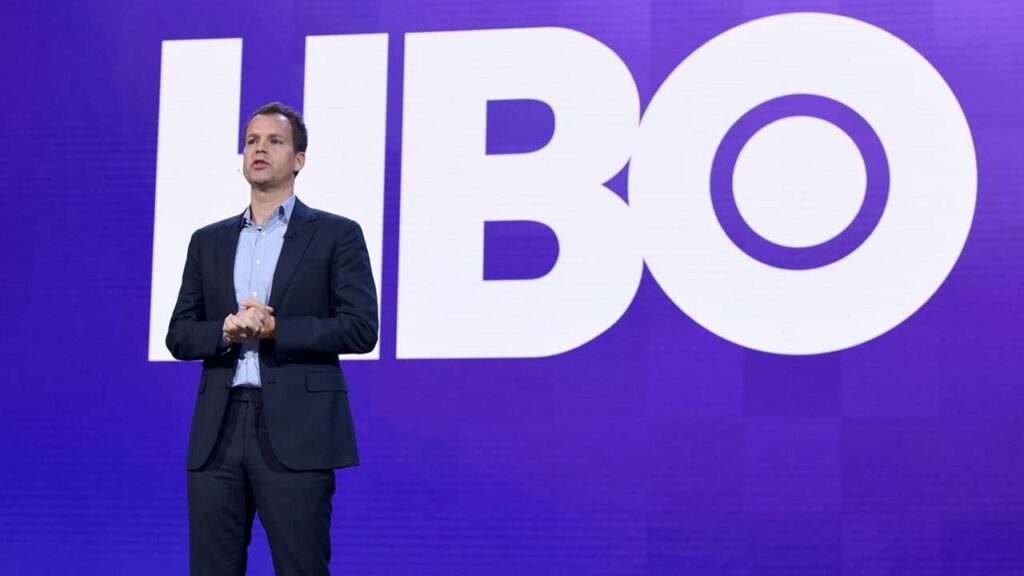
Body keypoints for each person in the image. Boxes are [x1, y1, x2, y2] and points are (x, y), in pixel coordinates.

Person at [166, 102, 378, 575]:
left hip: (297, 430)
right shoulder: (208, 240)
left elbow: (361, 327)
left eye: (274, 141)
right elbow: (179, 334)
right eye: (252, 141)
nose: (259, 149)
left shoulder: (337, 235)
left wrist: (276, 329)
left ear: (299, 159)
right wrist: (224, 330)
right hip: (218, 431)